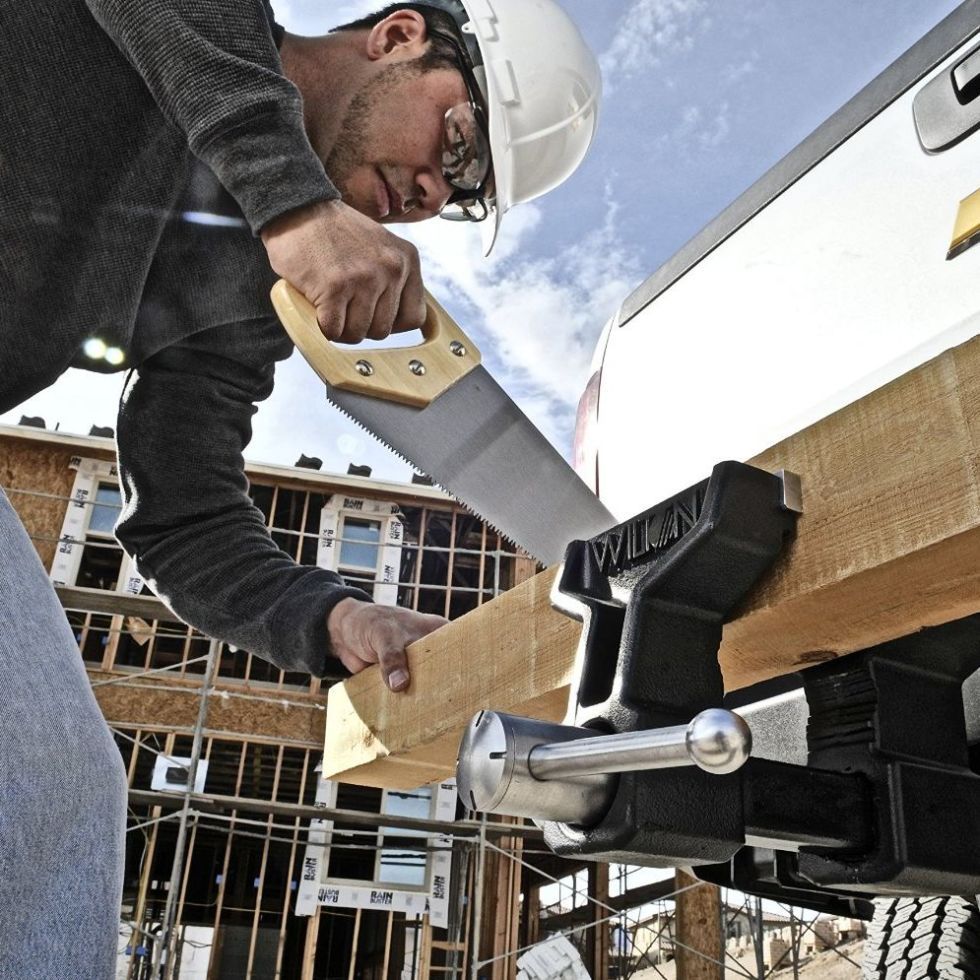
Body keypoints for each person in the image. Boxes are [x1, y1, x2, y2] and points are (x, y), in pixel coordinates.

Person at [0, 0, 600, 976]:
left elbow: (186, 517)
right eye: (455, 145)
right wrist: (292, 198)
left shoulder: (252, 292)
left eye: (458, 196)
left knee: (57, 792)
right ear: (401, 35)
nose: (426, 193)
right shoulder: (208, 33)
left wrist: (325, 616)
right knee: (40, 789)